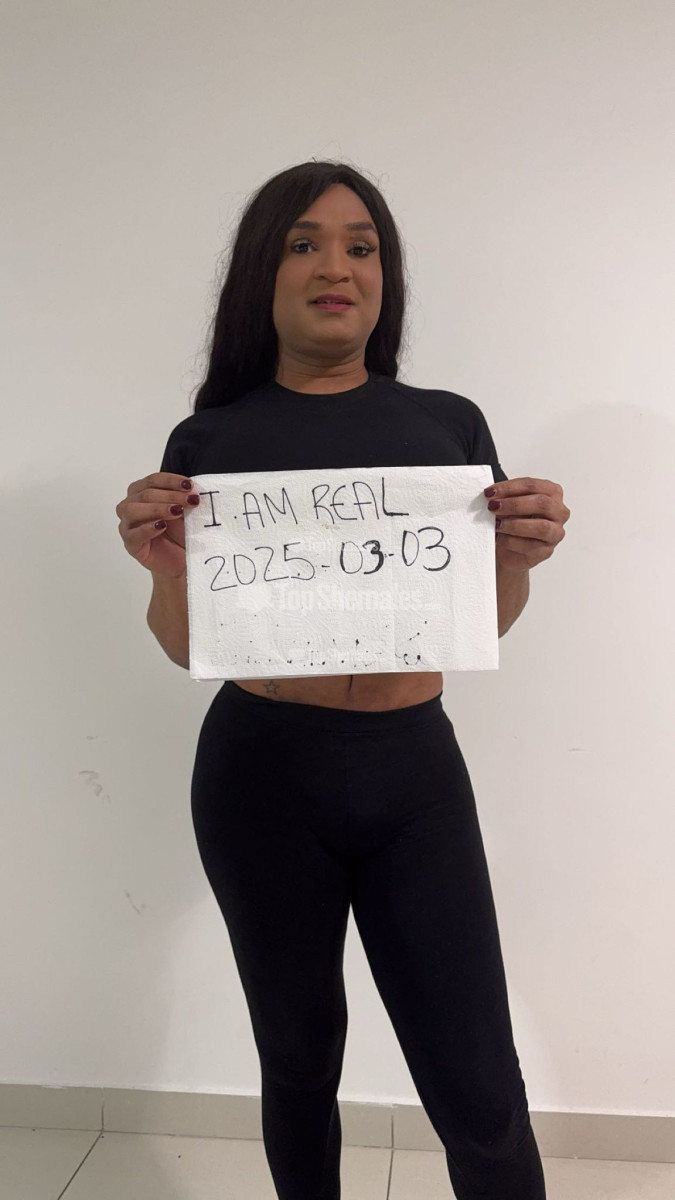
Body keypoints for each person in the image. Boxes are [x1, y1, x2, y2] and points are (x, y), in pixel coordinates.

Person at [117, 161, 570, 1200]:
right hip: (262, 773)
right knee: (298, 1052)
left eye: (360, 246)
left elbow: (479, 620)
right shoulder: (211, 441)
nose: (336, 266)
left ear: (385, 277)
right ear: (261, 276)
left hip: (413, 770)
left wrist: (515, 559)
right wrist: (164, 569)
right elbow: (189, 648)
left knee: (478, 1084)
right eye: (303, 244)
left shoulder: (448, 426)